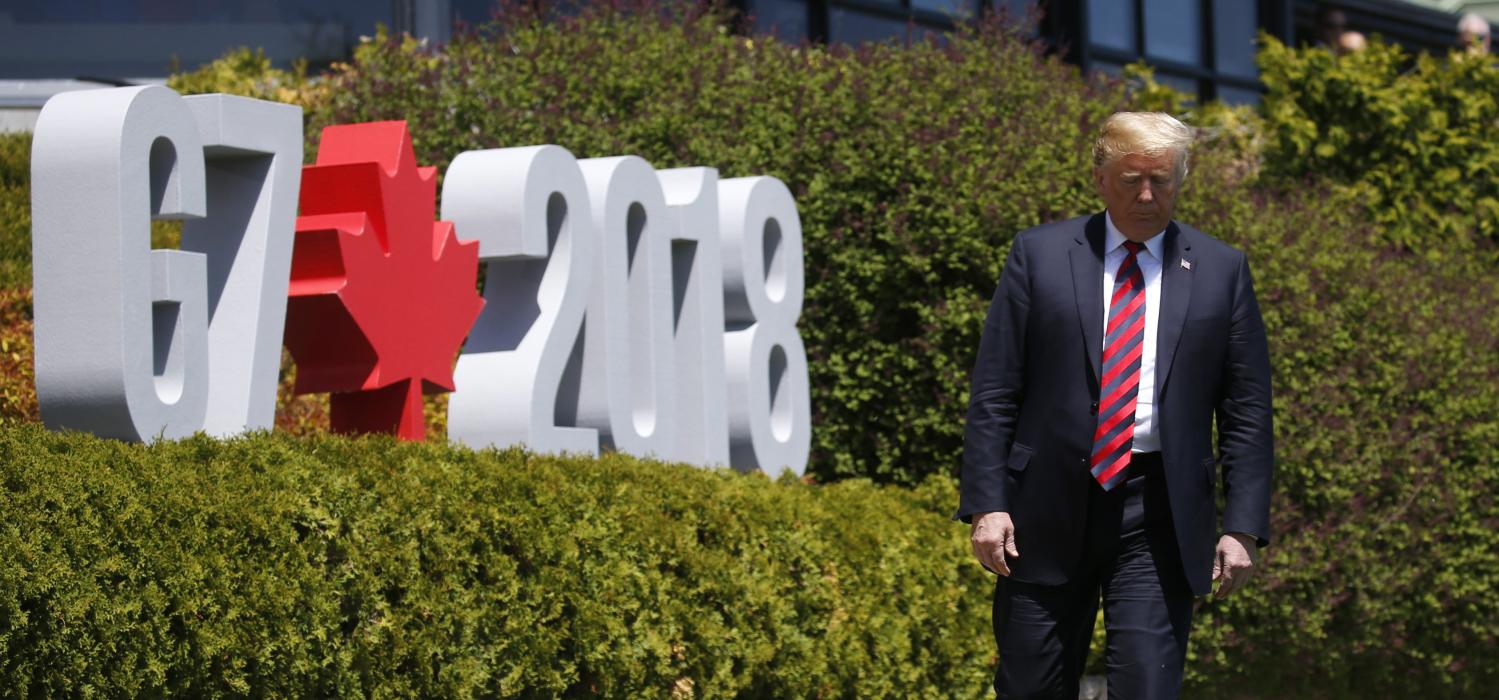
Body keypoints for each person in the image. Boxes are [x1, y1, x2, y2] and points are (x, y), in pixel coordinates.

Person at [957, 112, 1273, 699]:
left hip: (1158, 511)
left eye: (1163, 179)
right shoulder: (1040, 254)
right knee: (1030, 687)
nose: (1148, 195)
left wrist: (1244, 527)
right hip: (1043, 509)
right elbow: (996, 388)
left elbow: (1247, 409)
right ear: (1100, 177)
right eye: (1131, 180)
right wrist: (986, 503)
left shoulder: (1221, 270)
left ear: (1181, 178)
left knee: (1147, 687)